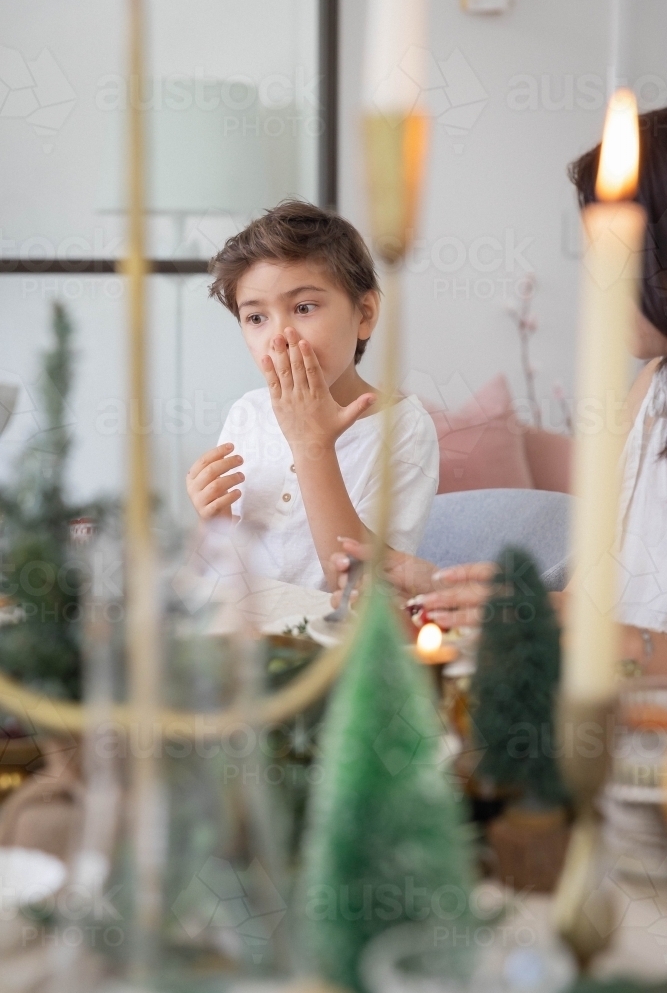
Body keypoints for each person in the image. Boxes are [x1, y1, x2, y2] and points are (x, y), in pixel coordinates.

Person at [331, 106, 667, 672]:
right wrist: (444, 587)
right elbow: (594, 597)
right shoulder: (652, 385)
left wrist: (622, 642)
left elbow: (614, 631)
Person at [186, 200, 439, 590]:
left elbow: (362, 585)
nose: (280, 336)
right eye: (256, 317)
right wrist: (212, 522)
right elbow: (207, 577)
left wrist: (311, 443)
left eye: (304, 307)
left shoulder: (404, 429)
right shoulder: (247, 414)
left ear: (365, 314)